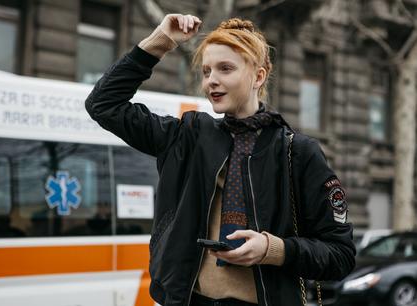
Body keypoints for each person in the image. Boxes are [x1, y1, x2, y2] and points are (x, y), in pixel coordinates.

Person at [85, 14, 355, 306]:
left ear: (259, 76)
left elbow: (340, 255)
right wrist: (160, 41)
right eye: (206, 71)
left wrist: (272, 248)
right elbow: (103, 104)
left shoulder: (298, 152)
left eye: (225, 69)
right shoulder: (187, 136)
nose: (211, 80)